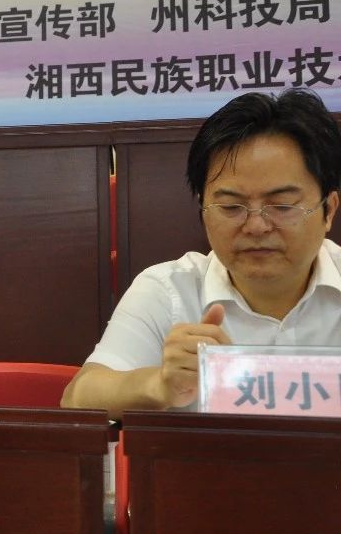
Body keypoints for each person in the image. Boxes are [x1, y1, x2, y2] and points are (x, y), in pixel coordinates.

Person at [62, 88, 341, 417]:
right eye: (231, 207)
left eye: (281, 205)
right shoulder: (168, 290)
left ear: (328, 210)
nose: (256, 226)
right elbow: (78, 398)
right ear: (204, 213)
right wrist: (159, 385)